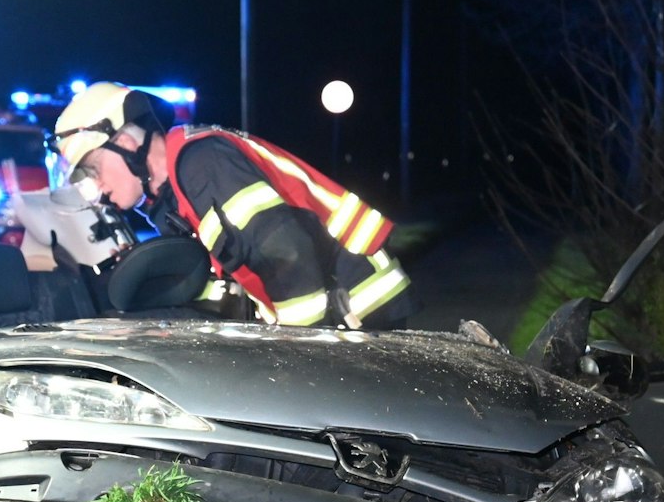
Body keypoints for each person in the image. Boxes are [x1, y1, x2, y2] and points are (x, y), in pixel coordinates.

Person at [50, 82, 418, 328]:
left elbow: (288, 257)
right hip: (343, 310)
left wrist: (296, 355)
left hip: (361, 305)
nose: (96, 187)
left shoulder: (202, 166)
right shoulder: (176, 195)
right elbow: (237, 278)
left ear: (126, 144)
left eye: (92, 170)